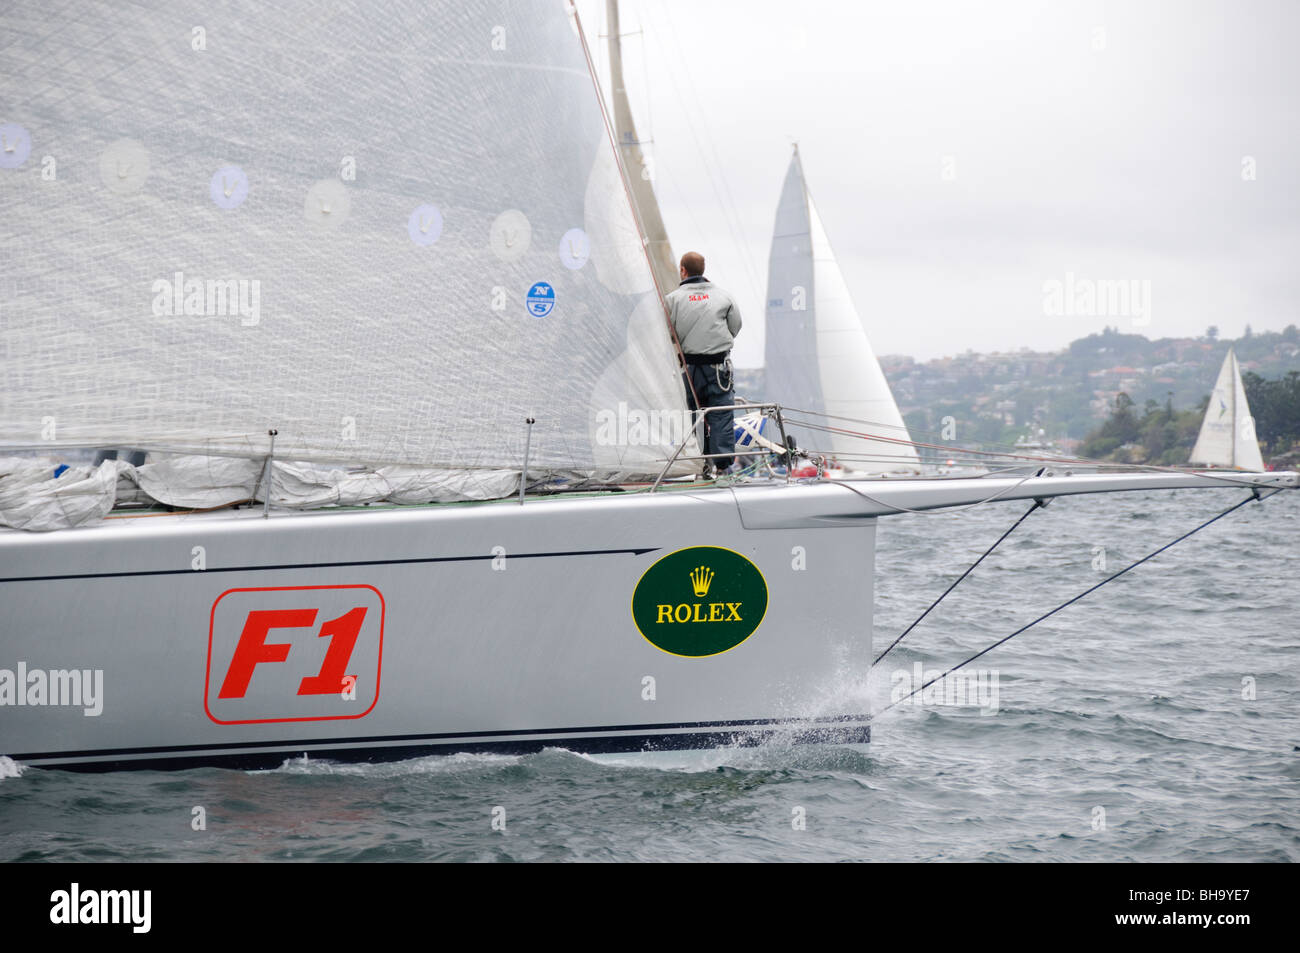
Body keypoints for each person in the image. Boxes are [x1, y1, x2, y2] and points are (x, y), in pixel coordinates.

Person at [665, 251, 742, 475]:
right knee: (720, 415)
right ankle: (723, 467)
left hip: (688, 370)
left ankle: (700, 465)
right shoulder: (724, 297)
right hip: (718, 369)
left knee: (692, 415)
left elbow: (669, 334)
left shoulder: (672, 300)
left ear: (683, 270)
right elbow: (735, 327)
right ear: (703, 270)